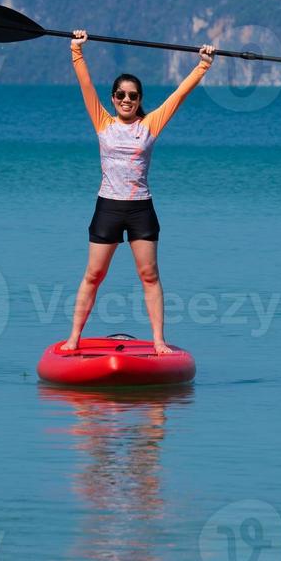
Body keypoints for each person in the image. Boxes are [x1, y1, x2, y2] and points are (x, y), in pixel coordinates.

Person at [61, 30, 215, 355]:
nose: (127, 100)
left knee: (149, 275)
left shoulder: (150, 125)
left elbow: (178, 95)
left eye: (133, 95)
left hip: (141, 209)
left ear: (139, 99)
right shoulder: (103, 121)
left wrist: (203, 65)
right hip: (108, 208)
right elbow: (86, 86)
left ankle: (158, 340)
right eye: (121, 95)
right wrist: (77, 50)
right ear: (114, 98)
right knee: (93, 275)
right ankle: (74, 337)